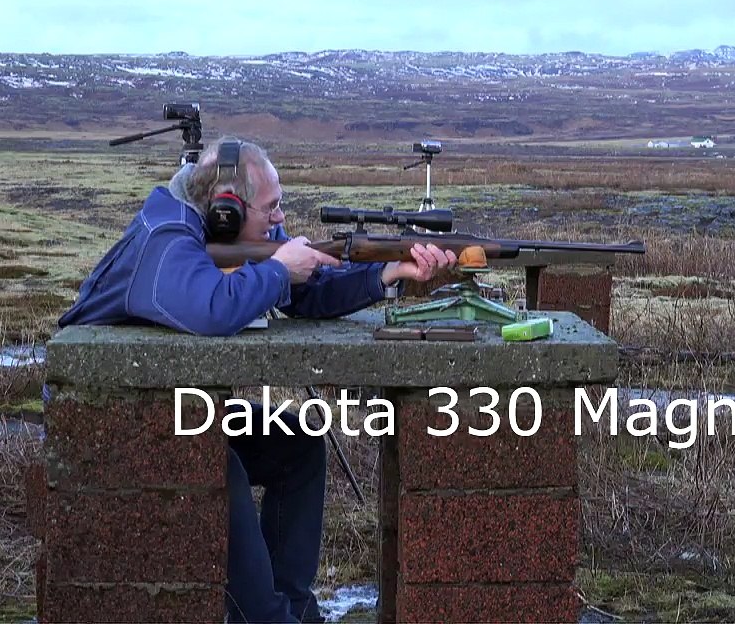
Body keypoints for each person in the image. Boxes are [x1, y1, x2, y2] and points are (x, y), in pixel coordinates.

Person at [56, 137, 455, 623]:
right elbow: (212, 308)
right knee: (216, 465)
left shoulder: (214, 233)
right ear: (226, 207)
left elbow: (305, 291)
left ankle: (293, 610)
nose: (279, 219)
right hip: (104, 421)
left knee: (298, 441)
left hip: (168, 411)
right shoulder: (166, 237)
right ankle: (263, 618)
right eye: (271, 208)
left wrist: (386, 273)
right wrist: (276, 269)